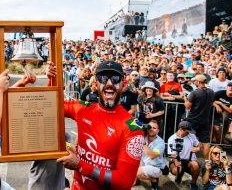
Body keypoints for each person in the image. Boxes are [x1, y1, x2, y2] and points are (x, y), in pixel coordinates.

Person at [52, 60, 145, 189]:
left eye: (115, 78)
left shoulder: (133, 128)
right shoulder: (83, 109)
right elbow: (51, 106)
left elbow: (124, 182)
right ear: (95, 84)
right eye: (103, 78)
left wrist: (79, 165)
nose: (109, 83)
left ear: (123, 85)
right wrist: (51, 81)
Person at [184, 74, 215, 160]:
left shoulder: (195, 93)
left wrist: (185, 98)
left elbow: (187, 106)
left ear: (198, 82)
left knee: (187, 138)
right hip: (205, 120)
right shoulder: (211, 92)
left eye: (195, 81)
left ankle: (187, 158)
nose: (194, 82)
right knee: (205, 142)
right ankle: (206, 162)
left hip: (193, 120)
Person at [167, 121, 201, 190]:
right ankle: (179, 175)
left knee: (195, 166)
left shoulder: (192, 136)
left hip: (189, 160)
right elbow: (171, 154)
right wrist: (176, 161)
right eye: (187, 131)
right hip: (177, 159)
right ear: (181, 129)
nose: (188, 133)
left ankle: (193, 183)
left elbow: (199, 144)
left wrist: (198, 148)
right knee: (175, 170)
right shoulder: (172, 139)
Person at [136, 120, 165, 190]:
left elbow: (153, 155)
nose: (151, 129)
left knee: (135, 172)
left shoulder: (160, 142)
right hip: (144, 164)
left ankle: (153, 179)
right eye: (149, 127)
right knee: (129, 169)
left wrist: (143, 144)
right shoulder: (143, 137)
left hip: (155, 167)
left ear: (158, 130)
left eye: (154, 128)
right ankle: (138, 179)